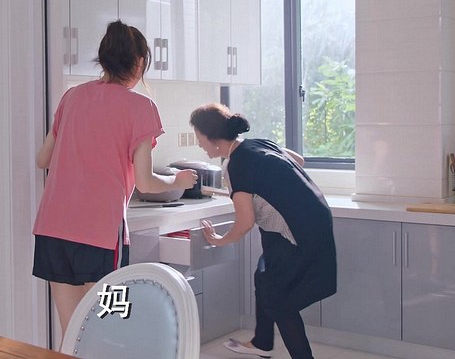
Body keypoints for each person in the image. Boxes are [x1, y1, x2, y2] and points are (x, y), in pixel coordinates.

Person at [32, 20, 197, 342]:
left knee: (71, 332)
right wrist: (177, 180)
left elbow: (42, 159)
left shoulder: (72, 97)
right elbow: (146, 183)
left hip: (53, 232)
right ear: (139, 62)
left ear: (104, 58)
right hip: (100, 237)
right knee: (108, 327)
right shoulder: (141, 107)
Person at [190, 103, 336, 359]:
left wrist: (220, 240)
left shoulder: (235, 165)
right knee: (264, 276)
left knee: (278, 299)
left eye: (199, 137)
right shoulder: (259, 144)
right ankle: (263, 341)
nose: (199, 143)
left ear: (212, 137)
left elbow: (245, 222)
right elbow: (298, 161)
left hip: (296, 231)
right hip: (315, 218)